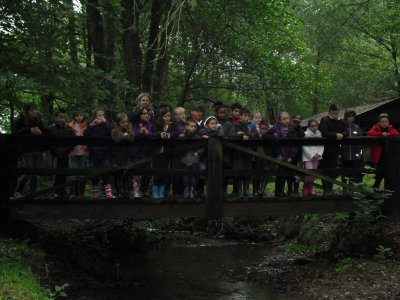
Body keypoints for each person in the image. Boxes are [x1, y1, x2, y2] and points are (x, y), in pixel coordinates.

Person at [13, 103, 46, 198]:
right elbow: (15, 132)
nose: (34, 112)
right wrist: (29, 130)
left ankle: (33, 193)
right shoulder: (20, 119)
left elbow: (44, 131)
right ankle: (18, 190)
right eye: (31, 110)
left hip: (38, 148)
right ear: (26, 111)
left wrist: (42, 132)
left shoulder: (38, 119)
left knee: (35, 172)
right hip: (27, 149)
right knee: (29, 171)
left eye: (34, 109)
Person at [84, 108, 116, 199]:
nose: (101, 117)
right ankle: (95, 193)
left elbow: (110, 132)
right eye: (99, 115)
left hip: (104, 152)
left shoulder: (106, 125)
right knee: (94, 173)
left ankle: (108, 193)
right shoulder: (91, 125)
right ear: (95, 116)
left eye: (103, 115)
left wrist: (105, 123)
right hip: (93, 153)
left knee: (106, 171)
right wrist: (91, 125)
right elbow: (85, 134)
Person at [228, 107, 257, 199]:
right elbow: (231, 135)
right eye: (245, 116)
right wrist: (240, 135)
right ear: (241, 116)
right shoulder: (237, 124)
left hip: (248, 152)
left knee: (247, 171)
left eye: (248, 116)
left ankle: (246, 191)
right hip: (238, 152)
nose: (247, 118)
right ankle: (240, 191)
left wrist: (248, 135)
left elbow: (256, 134)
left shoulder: (252, 125)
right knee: (239, 171)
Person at [319, 104, 347, 195]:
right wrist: (335, 135)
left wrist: (343, 134)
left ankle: (329, 188)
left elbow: (346, 131)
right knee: (325, 169)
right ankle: (326, 189)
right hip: (326, 149)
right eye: (333, 113)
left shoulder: (341, 121)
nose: (335, 115)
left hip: (336, 149)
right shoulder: (324, 120)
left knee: (334, 169)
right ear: (329, 112)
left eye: (336, 113)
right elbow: (324, 132)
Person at [47, 109, 75, 199]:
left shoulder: (68, 128)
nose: (62, 119)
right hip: (55, 155)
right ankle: (56, 191)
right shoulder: (50, 128)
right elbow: (48, 142)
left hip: (65, 154)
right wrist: (55, 151)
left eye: (63, 117)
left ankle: (63, 190)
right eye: (60, 117)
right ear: (55, 117)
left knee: (64, 172)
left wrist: (66, 150)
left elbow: (73, 140)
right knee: (56, 172)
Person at [268, 112, 297, 197]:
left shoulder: (292, 130)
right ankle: (278, 191)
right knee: (280, 174)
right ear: (280, 121)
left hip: (289, 156)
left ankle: (286, 191)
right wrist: (277, 153)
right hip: (279, 155)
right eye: (284, 119)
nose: (286, 120)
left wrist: (292, 156)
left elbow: (295, 144)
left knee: (287, 174)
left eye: (288, 118)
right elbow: (267, 136)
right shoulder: (275, 129)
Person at [367, 113, 400, 189]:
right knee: (380, 171)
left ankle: (387, 190)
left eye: (386, 121)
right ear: (379, 122)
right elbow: (370, 133)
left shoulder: (390, 128)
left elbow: (397, 133)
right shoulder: (375, 128)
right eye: (382, 121)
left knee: (389, 171)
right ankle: (376, 187)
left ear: (388, 122)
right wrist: (381, 134)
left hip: (389, 154)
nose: (384, 123)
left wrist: (389, 134)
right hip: (379, 155)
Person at [152, 107, 178, 199]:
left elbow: (176, 133)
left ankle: (162, 192)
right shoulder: (157, 124)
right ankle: (155, 192)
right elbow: (153, 132)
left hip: (167, 152)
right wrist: (160, 134)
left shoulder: (173, 125)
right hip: (157, 152)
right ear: (161, 117)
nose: (168, 118)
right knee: (156, 172)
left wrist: (169, 135)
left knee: (165, 172)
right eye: (165, 116)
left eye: (169, 116)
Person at [111, 112, 135, 197]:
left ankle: (126, 191)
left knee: (126, 174)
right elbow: (116, 139)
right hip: (117, 155)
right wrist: (124, 135)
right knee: (117, 174)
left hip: (126, 155)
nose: (125, 124)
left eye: (126, 122)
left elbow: (132, 138)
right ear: (118, 123)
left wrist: (126, 135)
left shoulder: (130, 128)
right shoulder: (114, 130)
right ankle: (118, 192)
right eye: (123, 122)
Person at [131, 106, 153, 198]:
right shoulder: (133, 124)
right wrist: (139, 132)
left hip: (146, 152)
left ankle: (144, 191)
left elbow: (152, 135)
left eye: (147, 113)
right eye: (144, 113)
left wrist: (147, 133)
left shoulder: (149, 124)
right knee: (136, 173)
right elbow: (131, 135)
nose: (146, 115)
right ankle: (136, 192)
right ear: (139, 115)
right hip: (136, 152)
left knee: (147, 173)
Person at [340, 109, 363, 188]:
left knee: (353, 173)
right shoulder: (342, 127)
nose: (351, 118)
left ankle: (351, 188)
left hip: (354, 155)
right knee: (344, 173)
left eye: (352, 116)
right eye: (349, 116)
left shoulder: (357, 127)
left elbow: (361, 142)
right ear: (346, 117)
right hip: (344, 155)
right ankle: (344, 188)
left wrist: (359, 153)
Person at [181, 120, 203, 199]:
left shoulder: (197, 136)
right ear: (187, 127)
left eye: (195, 127)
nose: (193, 128)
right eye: (191, 126)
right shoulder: (183, 136)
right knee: (186, 175)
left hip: (194, 159)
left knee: (194, 175)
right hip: (185, 159)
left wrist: (198, 152)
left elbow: (202, 147)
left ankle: (192, 189)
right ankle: (187, 189)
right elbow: (180, 147)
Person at [69, 110, 88, 199]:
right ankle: (73, 192)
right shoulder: (70, 126)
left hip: (83, 152)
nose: (79, 117)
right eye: (77, 115)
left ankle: (81, 193)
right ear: (74, 116)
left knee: (82, 173)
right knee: (73, 172)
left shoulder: (86, 126)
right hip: (73, 152)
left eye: (81, 115)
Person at [302, 119, 324, 196]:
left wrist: (319, 154)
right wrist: (311, 155)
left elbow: (321, 145)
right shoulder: (306, 134)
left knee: (313, 173)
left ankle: (310, 188)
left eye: (316, 126)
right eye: (312, 126)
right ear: (309, 126)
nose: (314, 127)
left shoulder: (319, 134)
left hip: (317, 157)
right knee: (309, 173)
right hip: (308, 157)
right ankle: (305, 187)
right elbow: (304, 146)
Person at [290, 114, 305, 195]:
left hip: (297, 155)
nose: (295, 123)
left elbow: (302, 134)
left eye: (297, 122)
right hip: (288, 155)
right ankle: (289, 189)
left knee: (297, 173)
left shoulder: (300, 130)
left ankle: (296, 189)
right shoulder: (288, 128)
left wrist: (298, 127)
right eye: (294, 121)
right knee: (289, 172)